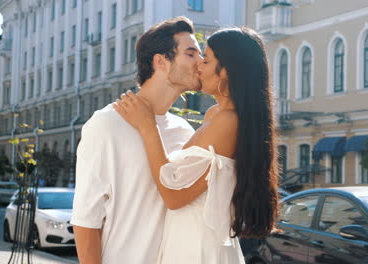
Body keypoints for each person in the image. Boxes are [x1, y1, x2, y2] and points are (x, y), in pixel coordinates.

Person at [114, 27, 279, 264]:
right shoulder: (215, 114)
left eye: (207, 59)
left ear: (228, 71)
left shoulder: (228, 121)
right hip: (187, 238)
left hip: (198, 246)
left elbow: (174, 197)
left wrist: (148, 127)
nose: (199, 64)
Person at [71, 17, 202, 264]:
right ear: (161, 61)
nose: (201, 62)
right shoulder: (107, 123)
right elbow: (86, 218)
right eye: (191, 53)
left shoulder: (184, 131)